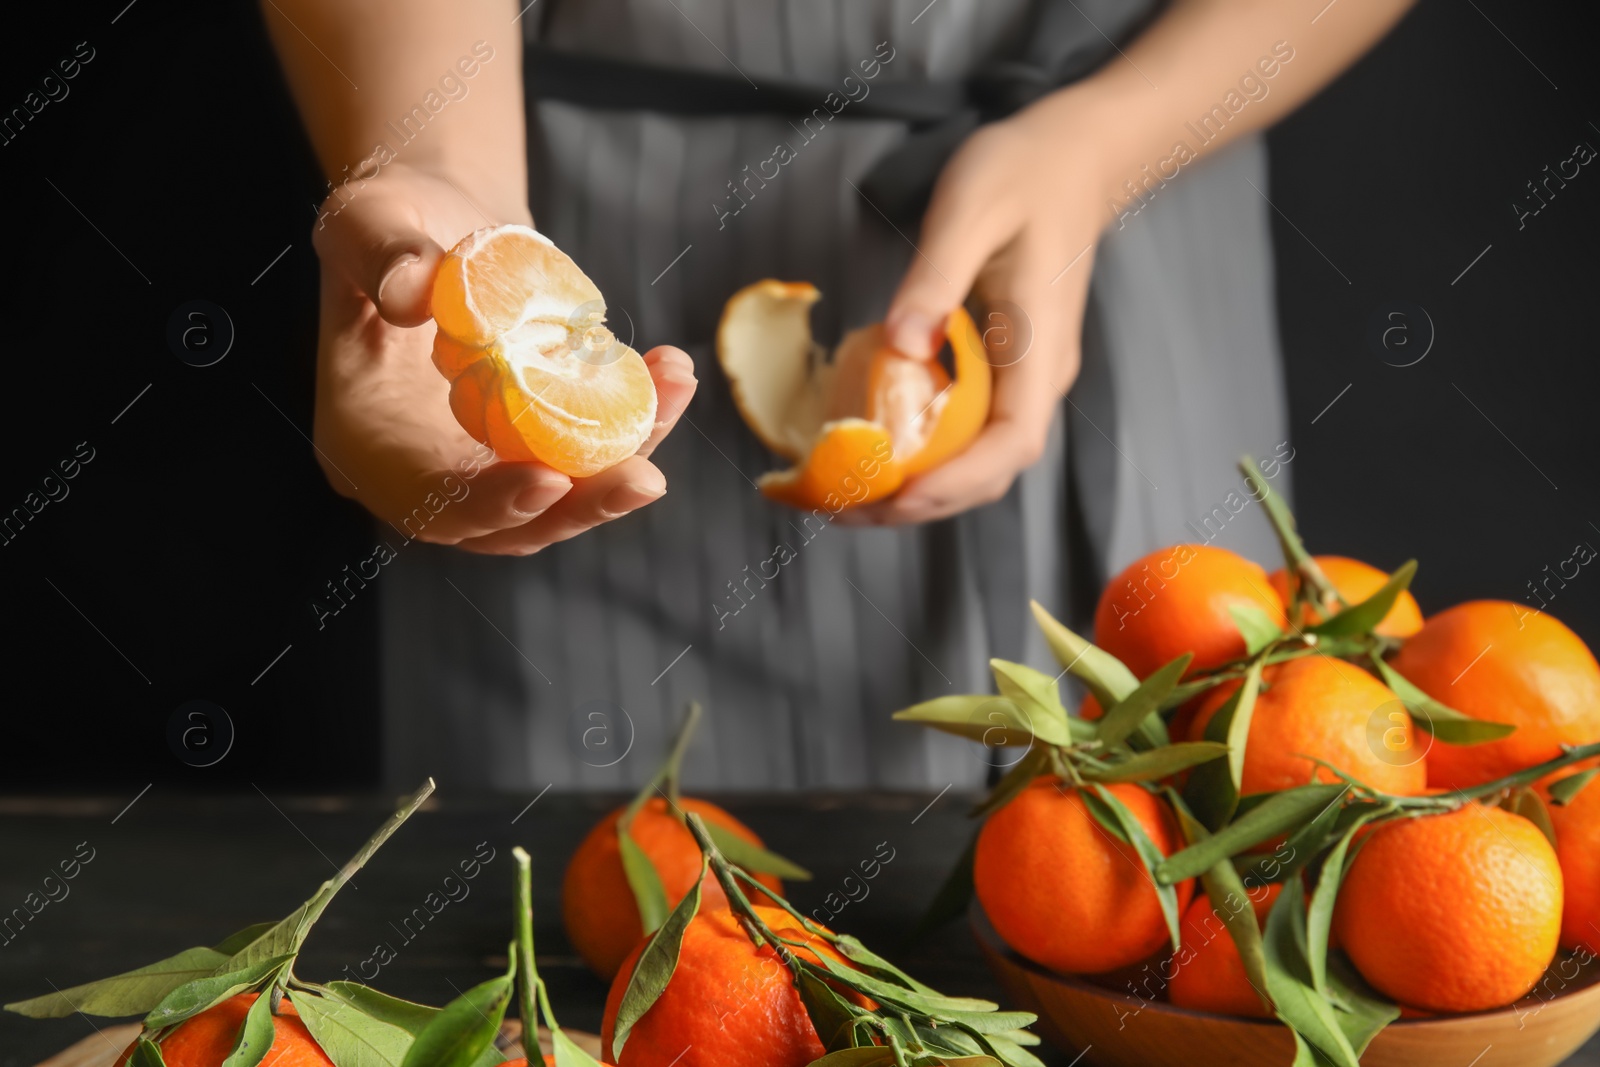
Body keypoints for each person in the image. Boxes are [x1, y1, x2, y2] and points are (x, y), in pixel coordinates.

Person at [266, 0, 1414, 791]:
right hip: (621, 228)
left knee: (1157, 924)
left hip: (1145, 220)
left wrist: (1106, 146)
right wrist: (437, 168)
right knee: (577, 967)